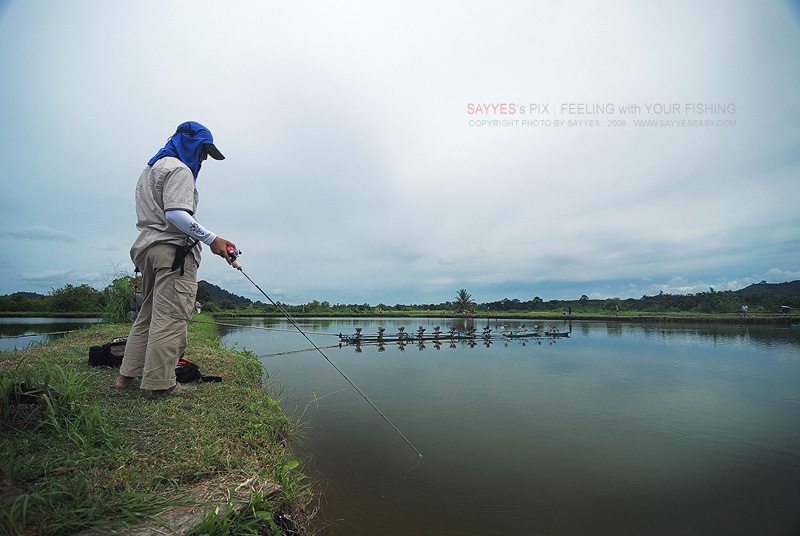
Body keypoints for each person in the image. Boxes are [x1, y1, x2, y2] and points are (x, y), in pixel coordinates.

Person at [115, 122, 237, 398]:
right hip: (172, 253)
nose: (204, 158)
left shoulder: (151, 169)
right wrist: (213, 240)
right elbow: (176, 214)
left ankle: (126, 377)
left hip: (148, 250)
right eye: (203, 151)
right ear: (189, 143)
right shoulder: (180, 170)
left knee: (148, 315)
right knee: (171, 317)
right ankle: (160, 384)